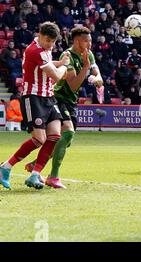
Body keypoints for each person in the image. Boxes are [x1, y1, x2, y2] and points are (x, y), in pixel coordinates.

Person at [24, 26, 103, 189]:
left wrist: (98, 79)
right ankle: (52, 177)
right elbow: (73, 85)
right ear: (76, 41)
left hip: (71, 101)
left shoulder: (89, 54)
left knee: (64, 141)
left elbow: (97, 71)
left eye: (90, 40)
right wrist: (86, 67)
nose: (89, 43)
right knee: (67, 133)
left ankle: (36, 164)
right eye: (86, 40)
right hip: (59, 98)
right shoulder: (67, 55)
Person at [0, 22, 70, 190]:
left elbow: (50, 67)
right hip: (33, 98)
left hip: (48, 97)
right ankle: (6, 166)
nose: (51, 45)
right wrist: (65, 65)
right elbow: (57, 76)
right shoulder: (35, 50)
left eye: (53, 42)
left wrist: (61, 61)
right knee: (39, 139)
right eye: (48, 41)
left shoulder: (45, 49)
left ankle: (35, 174)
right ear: (40, 35)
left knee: (55, 136)